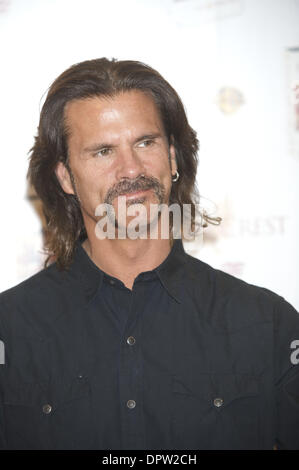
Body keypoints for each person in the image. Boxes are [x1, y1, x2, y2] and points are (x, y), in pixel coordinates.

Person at [0, 58, 298, 451]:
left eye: (145, 142)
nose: (131, 168)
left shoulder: (268, 324)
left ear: (172, 157)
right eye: (103, 151)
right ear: (64, 177)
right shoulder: (10, 330)